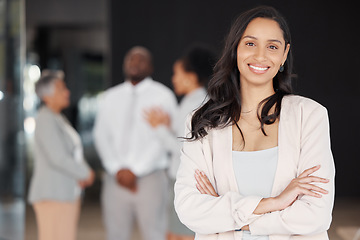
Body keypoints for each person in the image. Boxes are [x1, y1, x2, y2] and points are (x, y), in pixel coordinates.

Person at [174, 6, 335, 240]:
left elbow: (316, 215)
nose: (260, 56)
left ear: (284, 54)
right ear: (235, 49)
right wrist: (274, 203)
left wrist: (237, 220)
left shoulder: (309, 116)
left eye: (272, 46)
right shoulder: (203, 122)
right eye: (250, 43)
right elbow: (189, 209)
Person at [93, 46, 178, 240]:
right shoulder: (110, 96)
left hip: (150, 179)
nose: (135, 63)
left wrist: (136, 170)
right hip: (116, 179)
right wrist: (116, 168)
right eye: (131, 59)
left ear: (151, 66)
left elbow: (164, 139)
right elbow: (101, 135)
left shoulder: (163, 96)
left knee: (155, 234)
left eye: (141, 60)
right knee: (115, 235)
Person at [144, 46, 216, 240]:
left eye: (177, 73)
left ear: (191, 77)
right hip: (185, 179)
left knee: (180, 235)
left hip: (187, 180)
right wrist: (167, 127)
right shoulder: (194, 101)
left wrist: (158, 127)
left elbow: (184, 147)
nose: (173, 78)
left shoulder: (195, 104)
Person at [28, 70, 95, 240]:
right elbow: (58, 157)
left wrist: (84, 170)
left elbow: (74, 152)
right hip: (52, 195)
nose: (67, 92)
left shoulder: (57, 118)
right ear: (46, 96)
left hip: (64, 193)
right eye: (61, 89)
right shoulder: (45, 119)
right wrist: (85, 173)